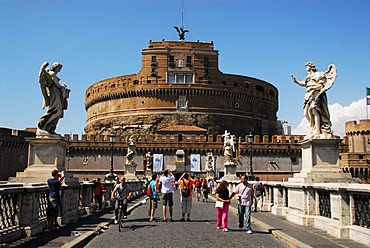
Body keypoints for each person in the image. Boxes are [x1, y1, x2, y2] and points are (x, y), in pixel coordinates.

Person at [291, 62, 337, 139]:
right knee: (306, 112)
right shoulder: (308, 76)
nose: (306, 68)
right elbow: (304, 84)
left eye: (307, 66)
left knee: (315, 111)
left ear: (311, 67)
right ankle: (314, 128)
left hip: (316, 94)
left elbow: (321, 85)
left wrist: (312, 88)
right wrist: (296, 81)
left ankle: (318, 131)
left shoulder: (319, 74)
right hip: (308, 95)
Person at [37, 62, 70, 135]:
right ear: (55, 67)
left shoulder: (52, 74)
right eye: (59, 68)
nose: (59, 70)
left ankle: (50, 128)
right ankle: (43, 125)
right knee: (56, 111)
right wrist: (63, 87)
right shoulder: (52, 74)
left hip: (57, 94)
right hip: (54, 95)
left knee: (58, 112)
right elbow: (57, 85)